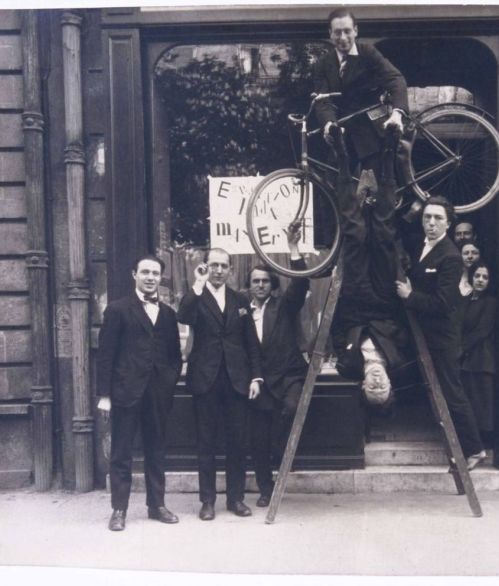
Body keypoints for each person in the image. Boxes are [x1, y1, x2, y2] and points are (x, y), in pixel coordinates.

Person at [395, 197, 487, 468]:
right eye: (427, 217)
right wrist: (411, 212)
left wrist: (411, 295)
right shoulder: (420, 244)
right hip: (422, 334)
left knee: (451, 392)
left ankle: (474, 449)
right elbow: (397, 231)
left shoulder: (450, 256)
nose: (431, 223)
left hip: (442, 338)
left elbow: (443, 303)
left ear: (448, 223)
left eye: (437, 218)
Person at [96, 255, 183, 532]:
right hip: (126, 393)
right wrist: (105, 395)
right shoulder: (118, 310)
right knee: (121, 453)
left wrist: (168, 384)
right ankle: (119, 509)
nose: (150, 277)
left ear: (161, 278)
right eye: (145, 272)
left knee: (156, 449)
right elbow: (106, 355)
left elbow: (174, 356)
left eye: (155, 273)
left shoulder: (169, 314)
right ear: (134, 274)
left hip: (157, 394)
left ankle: (156, 505)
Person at [329, 124, 414, 405]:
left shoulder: (347, 365)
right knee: (383, 229)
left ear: (363, 385)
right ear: (390, 383)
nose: (377, 382)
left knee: (353, 229)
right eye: (383, 388)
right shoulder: (400, 362)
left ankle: (341, 157)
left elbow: (336, 332)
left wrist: (341, 298)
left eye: (372, 389)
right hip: (384, 295)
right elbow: (405, 327)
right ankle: (388, 153)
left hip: (354, 292)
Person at [177, 248, 263, 520]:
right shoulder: (197, 296)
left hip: (236, 381)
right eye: (213, 265)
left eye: (223, 266)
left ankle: (235, 499)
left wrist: (256, 377)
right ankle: (207, 501)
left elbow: (251, 342)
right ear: (205, 267)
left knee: (237, 442)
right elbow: (184, 316)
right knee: (206, 443)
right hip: (206, 380)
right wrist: (198, 284)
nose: (218, 270)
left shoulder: (240, 299)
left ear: (230, 270)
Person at [246, 224, 309, 507]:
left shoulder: (282, 306)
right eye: (255, 281)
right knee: (257, 439)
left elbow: (301, 285)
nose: (260, 285)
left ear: (272, 285)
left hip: (288, 377)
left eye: (265, 281)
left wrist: (293, 249)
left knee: (292, 409)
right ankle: (265, 489)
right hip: (260, 382)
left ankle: (281, 452)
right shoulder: (242, 312)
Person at [314, 7, 408, 172]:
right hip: (342, 138)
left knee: (380, 191)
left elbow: (395, 79)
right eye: (337, 32)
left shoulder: (368, 54)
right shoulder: (323, 63)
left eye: (347, 31)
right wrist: (329, 124)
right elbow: (323, 100)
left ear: (356, 31)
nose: (343, 38)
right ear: (330, 33)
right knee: (337, 191)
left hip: (372, 137)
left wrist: (397, 113)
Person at [459, 261, 498, 449]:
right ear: (471, 278)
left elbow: (482, 331)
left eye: (485, 277)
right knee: (469, 402)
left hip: (482, 359)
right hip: (466, 360)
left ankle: (484, 443)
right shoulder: (465, 301)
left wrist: (460, 349)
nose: (481, 280)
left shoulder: (490, 302)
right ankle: (471, 443)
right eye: (477, 276)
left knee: (483, 403)